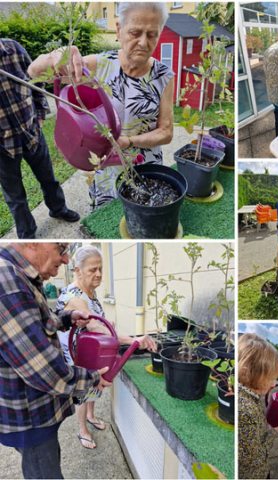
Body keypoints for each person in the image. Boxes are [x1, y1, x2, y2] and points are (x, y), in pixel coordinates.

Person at [29, 2, 174, 208]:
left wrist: (129, 141)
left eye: (152, 34)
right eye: (135, 32)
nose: (143, 42)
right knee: (105, 218)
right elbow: (34, 72)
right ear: (118, 29)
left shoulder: (163, 76)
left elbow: (166, 132)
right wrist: (55, 56)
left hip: (145, 167)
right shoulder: (97, 66)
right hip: (105, 170)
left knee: (144, 214)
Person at [0, 243, 112, 479]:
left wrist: (67, 319)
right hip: (30, 415)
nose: (65, 258)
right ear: (31, 243)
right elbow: (45, 372)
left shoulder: (19, 275)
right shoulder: (7, 283)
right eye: (60, 248)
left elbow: (36, 323)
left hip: (34, 410)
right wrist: (93, 377)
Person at [56, 245, 156, 449]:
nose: (99, 274)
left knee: (95, 385)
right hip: (77, 356)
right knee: (83, 392)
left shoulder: (90, 292)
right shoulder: (75, 297)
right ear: (78, 270)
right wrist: (134, 340)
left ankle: (91, 416)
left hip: (91, 352)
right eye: (92, 269)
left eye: (100, 268)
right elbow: (97, 326)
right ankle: (82, 429)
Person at [0, 39, 80, 238]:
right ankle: (27, 233)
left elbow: (36, 84)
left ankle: (58, 209)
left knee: (49, 179)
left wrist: (41, 116)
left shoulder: (13, 49)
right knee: (15, 197)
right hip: (3, 146)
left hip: (32, 132)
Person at [238, 333, 278, 479]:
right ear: (252, 373)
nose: (274, 384)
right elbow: (254, 458)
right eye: (271, 378)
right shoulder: (245, 411)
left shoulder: (250, 393)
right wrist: (272, 433)